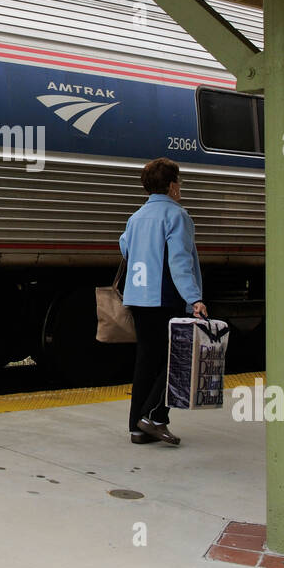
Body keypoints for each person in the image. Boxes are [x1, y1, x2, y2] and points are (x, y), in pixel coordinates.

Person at [119, 157, 208, 446]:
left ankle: (137, 427)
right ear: (171, 185)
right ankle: (155, 417)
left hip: (137, 297)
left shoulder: (136, 217)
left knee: (146, 361)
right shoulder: (177, 216)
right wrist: (194, 299)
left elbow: (124, 246)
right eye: (178, 182)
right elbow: (180, 261)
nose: (180, 187)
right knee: (175, 361)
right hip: (164, 297)